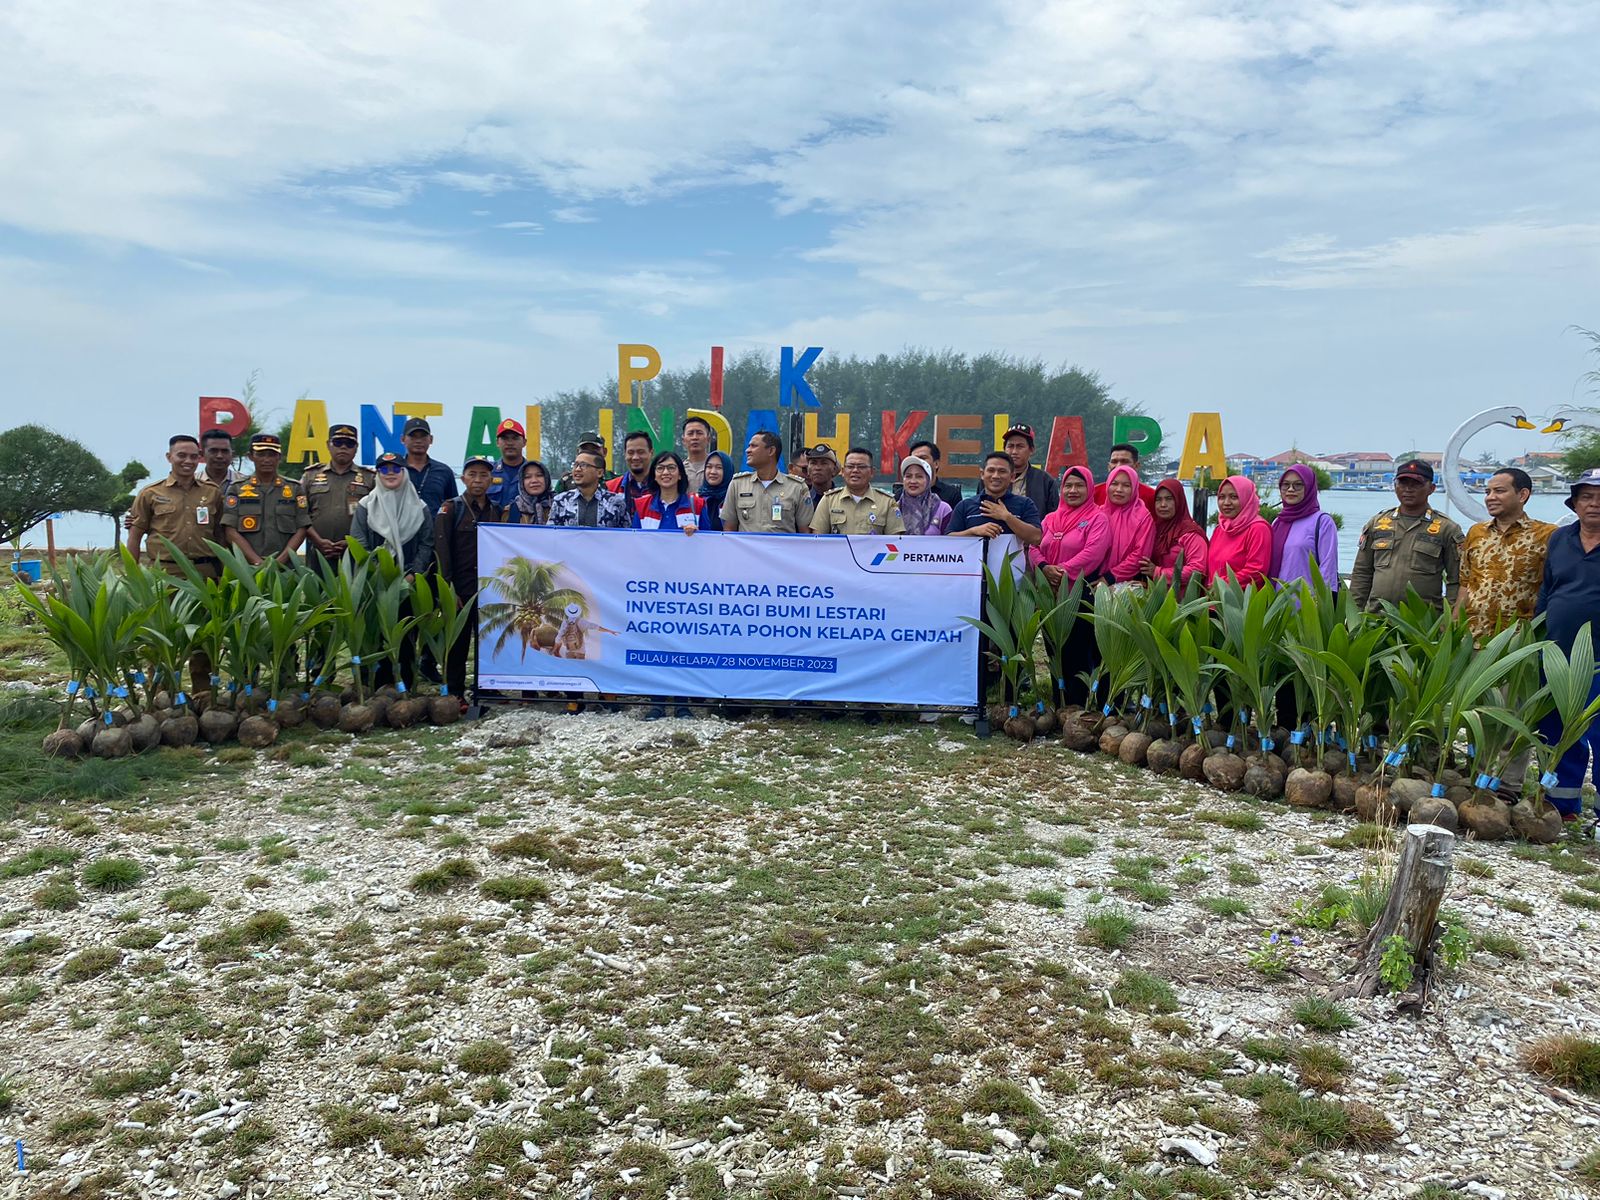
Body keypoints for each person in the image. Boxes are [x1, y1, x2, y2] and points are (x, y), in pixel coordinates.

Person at [1534, 468, 1600, 822]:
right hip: (1556, 652)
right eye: (1587, 497)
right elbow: (1548, 587)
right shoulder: (1560, 539)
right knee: (1556, 730)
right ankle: (1562, 804)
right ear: (1575, 503)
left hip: (1598, 660)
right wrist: (1537, 631)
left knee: (1599, 733)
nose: (1595, 504)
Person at [1029, 465, 1108, 705]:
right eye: (1068, 486)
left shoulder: (1097, 518)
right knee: (1054, 650)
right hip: (1049, 593)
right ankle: (1058, 702)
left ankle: (1076, 706)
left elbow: (1093, 553)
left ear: (1090, 488)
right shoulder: (1050, 519)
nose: (1073, 490)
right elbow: (1033, 546)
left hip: (1078, 594)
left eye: (1079, 485)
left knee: (1077, 651)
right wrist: (1044, 568)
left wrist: (1061, 572)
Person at [1456, 467, 1558, 643]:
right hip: (1473, 637)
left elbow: (1554, 587)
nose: (1490, 497)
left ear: (1522, 495)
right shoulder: (1476, 532)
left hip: (1519, 640)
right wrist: (1454, 623)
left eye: (1499, 491)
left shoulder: (1547, 535)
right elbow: (1466, 582)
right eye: (1488, 492)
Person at [434, 457, 507, 701]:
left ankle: (487, 687)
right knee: (458, 644)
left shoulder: (496, 510)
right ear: (463, 478)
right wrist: (449, 589)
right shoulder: (450, 508)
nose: (478, 480)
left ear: (491, 480)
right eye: (472, 474)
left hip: (488, 590)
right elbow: (442, 552)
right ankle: (455, 691)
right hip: (460, 590)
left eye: (484, 475)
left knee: (487, 641)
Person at [1349, 459, 1464, 612]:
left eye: (1416, 484)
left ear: (1431, 488)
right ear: (1395, 486)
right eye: (1403, 483)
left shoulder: (1447, 528)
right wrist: (1354, 616)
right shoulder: (1377, 523)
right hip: (1377, 617)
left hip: (1423, 622)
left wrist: (1448, 620)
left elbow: (1457, 580)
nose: (1408, 489)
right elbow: (1362, 573)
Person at [128, 435, 224, 578]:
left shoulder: (212, 492)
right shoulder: (150, 493)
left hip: (205, 572)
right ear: (169, 457)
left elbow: (220, 535)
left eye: (194, 457)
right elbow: (135, 537)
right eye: (182, 455)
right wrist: (133, 576)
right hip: (165, 572)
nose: (188, 461)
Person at [220, 434, 310, 566]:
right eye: (261, 454)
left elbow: (302, 528)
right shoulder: (237, 488)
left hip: (286, 567)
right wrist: (257, 562)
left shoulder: (295, 489)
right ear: (250, 456)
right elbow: (230, 531)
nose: (267, 459)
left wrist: (280, 561)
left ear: (279, 457)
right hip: (247, 567)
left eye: (272, 454)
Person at [303, 423, 375, 563]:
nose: (343, 447)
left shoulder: (369, 478)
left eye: (349, 444)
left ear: (356, 448)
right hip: (317, 551)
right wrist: (317, 540)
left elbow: (375, 517)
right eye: (338, 442)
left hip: (355, 552)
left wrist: (352, 542)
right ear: (328, 445)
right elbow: (300, 515)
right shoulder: (310, 476)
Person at [721, 432, 815, 533]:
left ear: (771, 451)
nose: (748, 450)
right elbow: (729, 530)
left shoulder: (797, 487)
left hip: (783, 548)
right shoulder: (737, 484)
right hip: (746, 548)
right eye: (749, 446)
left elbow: (805, 533)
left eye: (754, 446)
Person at [1269, 464, 1339, 592]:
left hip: (1306, 604)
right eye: (1286, 485)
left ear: (1309, 488)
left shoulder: (1323, 522)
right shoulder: (1278, 522)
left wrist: (1323, 603)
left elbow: (1328, 568)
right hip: (1275, 604)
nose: (1290, 489)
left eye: (1298, 485)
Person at [947, 453, 1043, 546]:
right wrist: (974, 532)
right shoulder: (965, 505)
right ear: (982, 474)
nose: (996, 476)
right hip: (973, 562)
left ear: (1012, 477)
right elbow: (948, 540)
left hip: (1010, 562)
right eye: (991, 470)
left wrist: (1008, 517)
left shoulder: (1025, 504)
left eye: (1002, 471)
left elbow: (1036, 538)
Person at [811, 447, 906, 536]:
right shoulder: (829, 500)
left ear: (872, 472)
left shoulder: (887, 502)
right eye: (850, 466)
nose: (855, 470)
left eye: (861, 467)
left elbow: (895, 542)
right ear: (843, 472)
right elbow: (818, 540)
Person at [1204, 475, 1271, 587]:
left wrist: (1221, 584)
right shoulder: (1220, 528)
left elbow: (1256, 571)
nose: (1226, 502)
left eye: (1234, 497)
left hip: (1242, 601)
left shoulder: (1258, 528)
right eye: (1221, 497)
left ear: (1246, 498)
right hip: (1216, 599)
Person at [1140, 479, 1207, 587]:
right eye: (1158, 499)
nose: (1163, 504)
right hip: (1156, 598)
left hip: (1184, 601)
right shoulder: (1155, 529)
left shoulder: (1190, 533)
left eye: (1169, 499)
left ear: (1179, 500)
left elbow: (1197, 570)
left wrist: (1158, 572)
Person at [1099, 464, 1155, 583]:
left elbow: (1140, 555)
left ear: (1134, 488)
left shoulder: (1143, 517)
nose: (1119, 489)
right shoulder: (1098, 513)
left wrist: (1110, 577)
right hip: (1094, 577)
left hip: (1127, 585)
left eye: (1126, 485)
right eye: (1114, 484)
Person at [633, 451, 712, 532]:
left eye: (671, 468)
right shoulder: (642, 506)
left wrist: (697, 534)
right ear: (654, 476)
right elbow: (636, 540)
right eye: (660, 468)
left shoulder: (697, 505)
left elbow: (706, 540)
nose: (666, 472)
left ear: (680, 474)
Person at [549, 450, 632, 527]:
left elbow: (626, 536)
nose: (577, 469)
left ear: (599, 473)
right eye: (575, 465)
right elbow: (551, 535)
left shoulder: (616, 502)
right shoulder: (560, 501)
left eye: (583, 465)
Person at [400, 417, 458, 515]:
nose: (418, 441)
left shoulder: (444, 471)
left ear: (431, 439)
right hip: (401, 529)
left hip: (436, 529)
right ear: (403, 439)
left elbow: (454, 507)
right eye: (413, 436)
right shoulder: (396, 470)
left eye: (423, 436)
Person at [1001, 424, 1059, 518]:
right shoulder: (991, 479)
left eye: (1020, 446)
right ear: (1004, 449)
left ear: (1031, 450)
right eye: (1010, 446)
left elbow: (1053, 518)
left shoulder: (1045, 481)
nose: (1014, 452)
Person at [895, 456, 952, 535]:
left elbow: (950, 542)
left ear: (928, 480)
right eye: (908, 476)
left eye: (919, 476)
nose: (913, 481)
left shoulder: (943, 509)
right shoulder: (894, 509)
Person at [897, 440, 964, 508]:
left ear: (936, 464)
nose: (918, 462)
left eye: (923, 458)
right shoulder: (899, 495)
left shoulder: (951, 494)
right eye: (914, 459)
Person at [1092, 443, 1157, 507]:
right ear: (1109, 467)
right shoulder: (1094, 494)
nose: (1119, 466)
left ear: (1137, 466)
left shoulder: (1151, 496)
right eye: (1114, 462)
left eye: (1124, 461)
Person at [487, 419, 530, 508]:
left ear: (524, 442)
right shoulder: (488, 472)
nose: (510, 443)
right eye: (505, 438)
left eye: (515, 438)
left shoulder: (535, 474)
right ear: (497, 442)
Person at [607, 431, 655, 507]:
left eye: (641, 452)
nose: (635, 457)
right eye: (630, 452)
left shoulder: (663, 487)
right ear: (625, 454)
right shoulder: (610, 488)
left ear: (651, 453)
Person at [698, 451, 733, 532]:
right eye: (709, 467)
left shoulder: (733, 500)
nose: (713, 472)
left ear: (727, 470)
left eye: (719, 467)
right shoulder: (696, 501)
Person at [511, 460, 555, 525]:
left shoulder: (560, 504)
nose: (534, 480)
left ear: (547, 478)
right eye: (527, 477)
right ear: (522, 482)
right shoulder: (513, 508)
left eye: (539, 475)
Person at [199, 427, 242, 491]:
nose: (219, 456)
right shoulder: (191, 483)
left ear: (232, 454)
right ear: (202, 453)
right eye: (213, 451)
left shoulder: (245, 483)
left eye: (225, 451)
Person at [681, 416, 714, 493]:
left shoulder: (717, 468)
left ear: (708, 439)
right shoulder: (679, 470)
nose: (695, 437)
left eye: (699, 433)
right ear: (683, 440)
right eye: (690, 433)